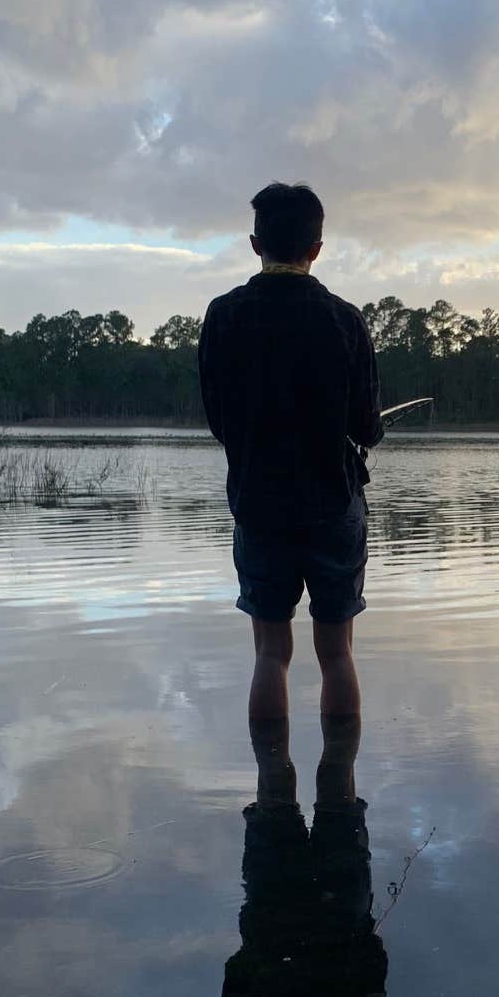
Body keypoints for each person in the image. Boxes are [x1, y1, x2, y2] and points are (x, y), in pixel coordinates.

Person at [198, 182, 383, 724]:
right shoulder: (344, 319)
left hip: (258, 506)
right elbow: (367, 429)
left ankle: (272, 798)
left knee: (270, 655)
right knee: (337, 654)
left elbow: (218, 422)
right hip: (333, 505)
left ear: (257, 244)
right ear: (316, 248)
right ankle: (340, 802)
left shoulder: (224, 315)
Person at [220, 718, 388, 997]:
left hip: (342, 908)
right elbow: (235, 973)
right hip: (271, 907)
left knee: (337, 774)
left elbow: (375, 966)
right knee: (273, 776)